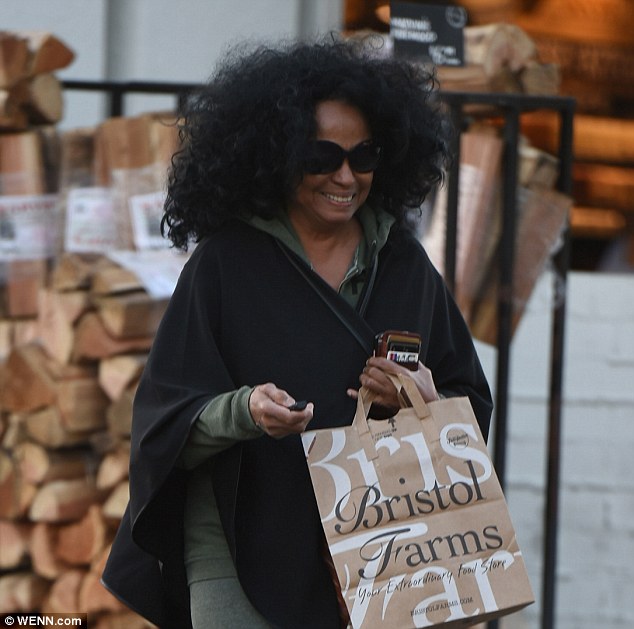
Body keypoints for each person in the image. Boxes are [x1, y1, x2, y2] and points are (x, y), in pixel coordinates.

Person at [102, 36, 493, 629]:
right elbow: (165, 420)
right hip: (238, 542)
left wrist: (421, 397)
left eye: (364, 157)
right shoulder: (227, 265)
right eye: (321, 157)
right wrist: (246, 411)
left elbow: (470, 407)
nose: (345, 176)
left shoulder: (404, 263)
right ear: (278, 156)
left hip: (381, 544)